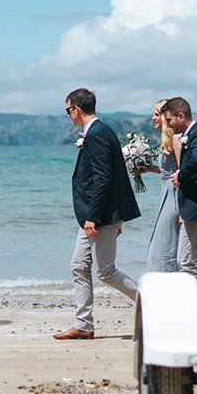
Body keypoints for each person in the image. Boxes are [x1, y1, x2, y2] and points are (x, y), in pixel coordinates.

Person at [54, 88, 141, 340]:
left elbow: (104, 178)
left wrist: (96, 216)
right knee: (79, 266)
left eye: (68, 110)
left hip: (98, 216)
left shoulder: (98, 134)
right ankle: (84, 325)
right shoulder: (98, 132)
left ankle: (152, 302)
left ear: (77, 109)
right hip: (97, 215)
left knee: (106, 271)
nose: (69, 115)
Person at [144, 99, 197, 280]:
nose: (155, 118)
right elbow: (171, 170)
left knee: (181, 257)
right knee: (188, 256)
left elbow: (181, 169)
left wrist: (182, 208)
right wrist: (147, 168)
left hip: (176, 197)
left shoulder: (179, 138)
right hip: (169, 195)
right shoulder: (173, 137)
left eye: (158, 114)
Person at [161, 97, 197, 300]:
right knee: (189, 262)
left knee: (187, 264)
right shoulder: (192, 134)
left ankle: (196, 316)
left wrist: (181, 175)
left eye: (169, 120)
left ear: (181, 116)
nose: (168, 125)